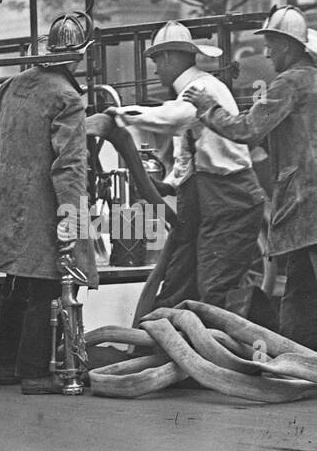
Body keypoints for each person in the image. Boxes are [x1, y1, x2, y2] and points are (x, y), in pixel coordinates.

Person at [185, 5, 317, 394]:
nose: (267, 53)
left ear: (290, 46)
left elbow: (248, 129)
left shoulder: (291, 83)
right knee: (301, 286)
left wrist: (206, 108)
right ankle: (299, 363)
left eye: (273, 44)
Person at [0, 14, 98, 395]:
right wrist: (72, 219)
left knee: (15, 281)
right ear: (77, 58)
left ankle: (6, 366)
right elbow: (71, 166)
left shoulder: (11, 86)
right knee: (48, 285)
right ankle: (34, 372)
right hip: (45, 204)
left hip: (7, 201)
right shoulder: (67, 97)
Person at [108, 21, 266, 311]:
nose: (156, 70)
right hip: (212, 198)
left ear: (169, 57)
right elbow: (186, 154)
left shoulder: (200, 89)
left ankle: (226, 350)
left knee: (214, 285)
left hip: (231, 198)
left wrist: (120, 115)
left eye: (157, 61)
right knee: (181, 278)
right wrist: (168, 184)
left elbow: (174, 119)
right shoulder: (192, 90)